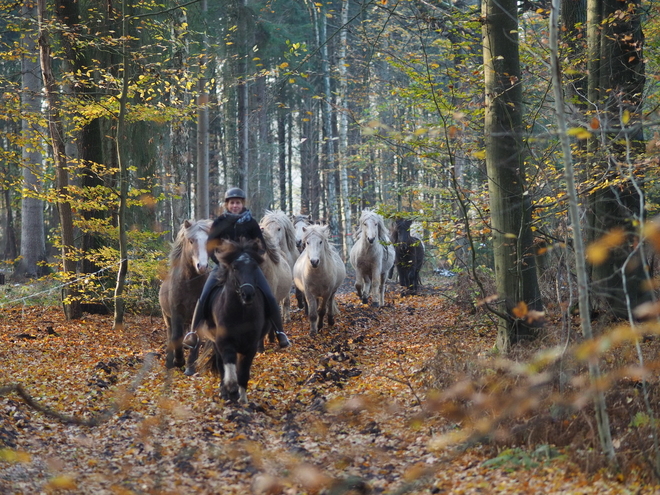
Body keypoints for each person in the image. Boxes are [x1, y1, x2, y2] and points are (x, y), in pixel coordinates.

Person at [185, 187, 291, 349]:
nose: (235, 205)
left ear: (242, 204)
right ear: (227, 204)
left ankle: (280, 333)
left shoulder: (251, 222)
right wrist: (220, 261)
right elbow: (211, 246)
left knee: (269, 295)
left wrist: (251, 262)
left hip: (248, 267)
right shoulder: (219, 222)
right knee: (205, 295)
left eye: (238, 203)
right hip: (224, 265)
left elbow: (261, 246)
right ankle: (192, 333)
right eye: (232, 203)